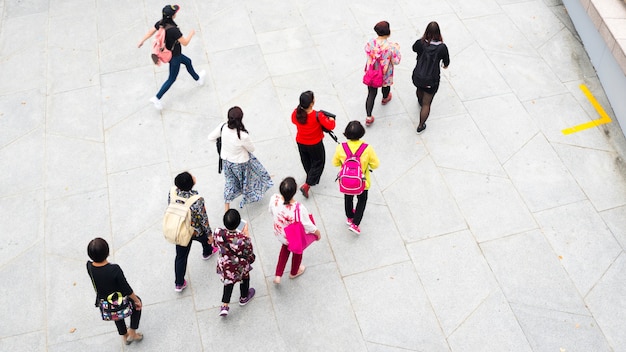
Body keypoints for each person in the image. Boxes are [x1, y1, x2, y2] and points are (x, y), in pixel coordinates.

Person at [137, 4, 206, 110]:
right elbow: (185, 42)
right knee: (172, 78)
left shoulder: (161, 23)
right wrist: (191, 33)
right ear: (172, 16)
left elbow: (150, 32)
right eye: (175, 13)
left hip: (171, 53)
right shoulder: (173, 30)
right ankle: (157, 98)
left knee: (188, 62)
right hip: (174, 57)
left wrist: (142, 40)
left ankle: (198, 79)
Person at [207, 106, 273, 211]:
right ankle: (250, 195)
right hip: (241, 163)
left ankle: (227, 206)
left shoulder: (222, 127)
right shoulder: (243, 136)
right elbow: (252, 149)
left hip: (227, 161)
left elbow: (210, 137)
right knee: (249, 180)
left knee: (230, 182)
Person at [86, 238, 143, 345]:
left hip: (107, 304)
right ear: (107, 252)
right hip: (119, 301)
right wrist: (136, 300)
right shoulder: (114, 269)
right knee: (137, 303)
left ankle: (124, 336)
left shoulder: (89, 267)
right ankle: (133, 331)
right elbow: (126, 289)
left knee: (116, 315)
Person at [168, 171, 217, 292]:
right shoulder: (197, 200)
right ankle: (207, 252)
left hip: (180, 230)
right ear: (192, 183)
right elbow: (203, 218)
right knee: (205, 240)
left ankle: (179, 283)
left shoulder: (172, 193)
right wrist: (210, 234)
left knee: (180, 257)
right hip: (195, 230)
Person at [269, 177, 321, 284]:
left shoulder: (274, 198)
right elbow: (307, 225)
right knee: (298, 252)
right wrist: (317, 233)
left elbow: (271, 211)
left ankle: (278, 275)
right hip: (294, 237)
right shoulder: (299, 208)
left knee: (284, 250)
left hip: (281, 233)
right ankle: (294, 272)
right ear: (295, 190)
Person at [332, 121, 380, 235]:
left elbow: (335, 163)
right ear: (361, 133)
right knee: (362, 200)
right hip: (362, 182)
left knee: (348, 197)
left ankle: (349, 217)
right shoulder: (367, 148)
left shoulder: (341, 147)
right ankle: (356, 223)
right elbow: (375, 165)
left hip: (346, 182)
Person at [291, 90, 336, 198]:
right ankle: (308, 184)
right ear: (311, 103)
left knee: (306, 160)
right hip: (315, 143)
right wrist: (331, 119)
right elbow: (331, 126)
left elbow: (293, 121)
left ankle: (309, 174)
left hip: (301, 141)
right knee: (318, 162)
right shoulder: (318, 115)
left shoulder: (295, 113)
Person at [214, 209, 256, 317]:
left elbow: (215, 243)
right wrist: (246, 234)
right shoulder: (243, 239)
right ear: (238, 224)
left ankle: (225, 305)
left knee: (228, 283)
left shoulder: (218, 232)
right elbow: (249, 252)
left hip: (226, 265)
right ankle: (244, 297)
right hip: (240, 266)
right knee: (245, 279)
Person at [412, 21, 450, 134]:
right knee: (427, 103)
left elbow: (414, 48)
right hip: (431, 79)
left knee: (419, 88)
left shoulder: (420, 43)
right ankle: (420, 125)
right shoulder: (442, 48)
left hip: (418, 76)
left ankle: (419, 100)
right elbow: (446, 62)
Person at [363, 21, 401, 127]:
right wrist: (397, 50)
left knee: (371, 94)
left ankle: (368, 117)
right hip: (385, 73)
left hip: (372, 72)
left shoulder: (371, 43)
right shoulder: (391, 47)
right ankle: (385, 98)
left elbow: (367, 51)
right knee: (386, 86)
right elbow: (396, 61)